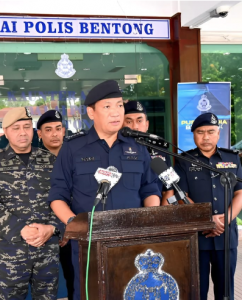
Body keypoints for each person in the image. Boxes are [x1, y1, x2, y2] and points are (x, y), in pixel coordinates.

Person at [47, 80, 161, 300]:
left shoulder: (137, 146)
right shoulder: (73, 148)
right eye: (107, 107)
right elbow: (57, 195)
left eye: (119, 105)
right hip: (88, 245)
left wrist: (149, 220)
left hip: (132, 241)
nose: (116, 112)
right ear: (91, 112)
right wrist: (75, 225)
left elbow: (150, 188)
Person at [0, 107, 62, 300]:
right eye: (16, 128)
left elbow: (63, 198)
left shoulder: (50, 161)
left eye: (26, 126)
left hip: (46, 249)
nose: (22, 132)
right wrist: (20, 229)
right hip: (10, 252)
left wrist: (52, 227)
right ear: (5, 132)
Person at [170, 113, 242, 300]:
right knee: (196, 291)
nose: (206, 137)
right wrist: (206, 220)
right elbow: (181, 196)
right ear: (194, 135)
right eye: (200, 132)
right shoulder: (184, 161)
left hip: (226, 237)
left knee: (226, 292)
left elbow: (240, 193)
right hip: (197, 238)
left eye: (211, 132)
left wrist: (224, 220)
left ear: (218, 134)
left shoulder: (232, 159)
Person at [36, 109, 74, 300]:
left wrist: (67, 227)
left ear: (64, 131)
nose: (54, 134)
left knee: (73, 277)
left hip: (71, 229)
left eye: (58, 128)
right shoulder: (33, 160)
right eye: (48, 129)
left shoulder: (75, 156)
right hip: (45, 230)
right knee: (44, 286)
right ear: (39, 134)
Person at [123, 100, 173, 202]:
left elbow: (169, 190)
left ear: (147, 124)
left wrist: (161, 216)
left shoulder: (160, 151)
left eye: (139, 121)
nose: (135, 126)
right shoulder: (115, 151)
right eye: (129, 121)